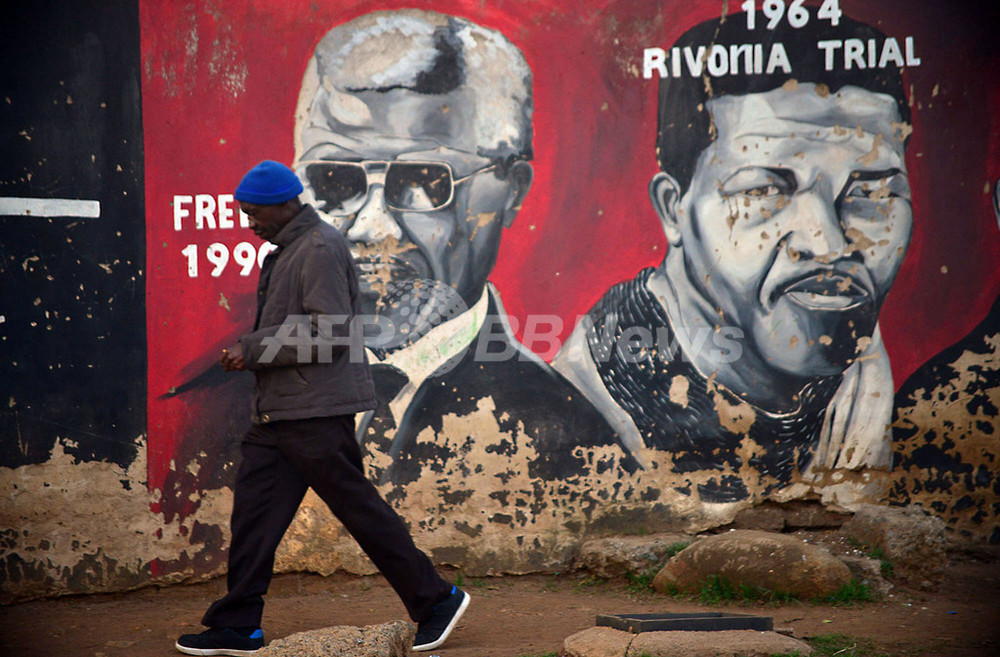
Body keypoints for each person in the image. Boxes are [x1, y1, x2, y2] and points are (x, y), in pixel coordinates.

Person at [554, 12, 913, 504]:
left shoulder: (862, 366)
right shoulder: (586, 404)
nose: (828, 244)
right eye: (763, 190)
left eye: (870, 193)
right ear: (673, 209)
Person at [292, 9, 630, 487]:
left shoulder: (571, 445)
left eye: (423, 182)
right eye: (333, 180)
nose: (371, 226)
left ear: (511, 191)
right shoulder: (215, 405)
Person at [174, 160, 469, 656]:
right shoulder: (289, 248)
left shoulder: (317, 247)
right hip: (280, 413)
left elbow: (330, 331)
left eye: (254, 213)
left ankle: (437, 600)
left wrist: (255, 348)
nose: (249, 223)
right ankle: (238, 625)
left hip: (314, 411)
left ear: (285, 205)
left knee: (359, 510)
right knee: (254, 516)